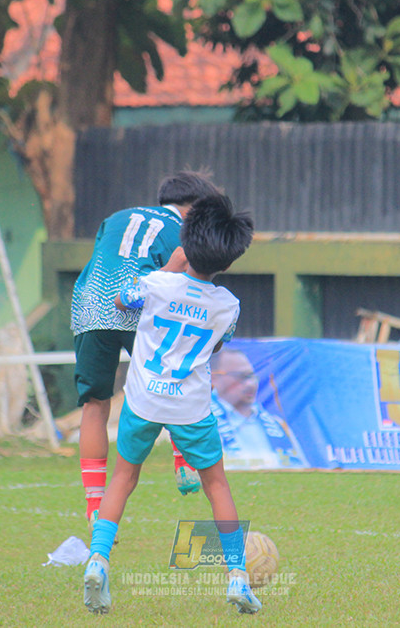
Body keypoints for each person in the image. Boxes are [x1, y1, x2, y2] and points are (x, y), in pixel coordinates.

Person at [83, 193, 261, 615]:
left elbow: (121, 301)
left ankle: (98, 559)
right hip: (190, 408)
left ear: (185, 237)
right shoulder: (228, 305)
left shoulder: (156, 284)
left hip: (144, 401)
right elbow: (218, 343)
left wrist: (168, 269)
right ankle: (237, 575)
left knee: (123, 480)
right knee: (216, 485)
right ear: (228, 260)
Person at [71, 171, 220, 524]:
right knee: (181, 367)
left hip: (90, 304)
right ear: (193, 209)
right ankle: (184, 460)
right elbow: (184, 272)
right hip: (140, 301)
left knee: (95, 404)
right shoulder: (184, 230)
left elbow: (106, 258)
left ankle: (95, 505)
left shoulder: (116, 218)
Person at [211, 348, 308, 469]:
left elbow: (301, 470)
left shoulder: (277, 425)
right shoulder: (203, 423)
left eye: (252, 376)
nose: (250, 384)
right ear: (213, 379)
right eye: (240, 377)